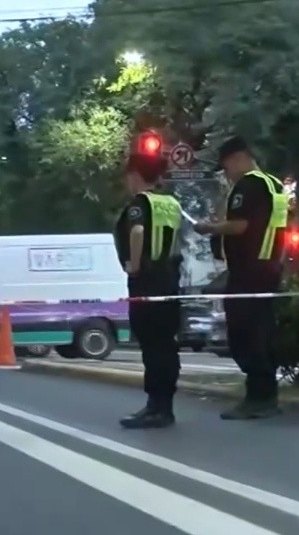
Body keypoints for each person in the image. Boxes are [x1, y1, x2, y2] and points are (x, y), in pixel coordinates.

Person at [195, 136, 288, 420]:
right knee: (263, 332)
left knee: (242, 334)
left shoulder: (247, 185)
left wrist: (209, 227)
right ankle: (266, 394)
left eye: (226, 168)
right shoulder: (274, 185)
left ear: (238, 158)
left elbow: (240, 226)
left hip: (247, 271)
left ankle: (258, 396)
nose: (227, 174)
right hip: (269, 267)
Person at [115, 153, 183, 429]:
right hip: (170, 280)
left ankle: (155, 407)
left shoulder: (140, 203)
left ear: (134, 175)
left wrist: (133, 264)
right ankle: (164, 405)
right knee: (167, 344)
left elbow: (138, 231)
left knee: (152, 345)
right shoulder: (171, 203)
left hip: (146, 281)